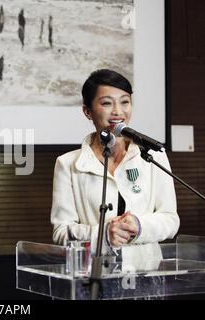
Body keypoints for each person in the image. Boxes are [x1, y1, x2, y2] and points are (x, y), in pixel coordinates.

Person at [50, 69, 179, 254]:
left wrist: (139, 225)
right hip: (93, 275)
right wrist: (103, 236)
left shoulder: (153, 156)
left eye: (125, 102)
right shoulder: (67, 164)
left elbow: (170, 220)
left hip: (146, 274)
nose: (118, 111)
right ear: (88, 111)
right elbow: (61, 232)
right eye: (106, 103)